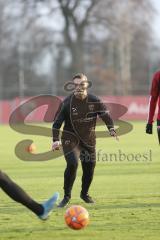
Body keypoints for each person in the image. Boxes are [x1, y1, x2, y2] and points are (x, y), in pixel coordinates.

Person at [52, 73, 117, 207]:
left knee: (89, 168)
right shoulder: (67, 103)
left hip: (88, 140)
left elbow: (105, 115)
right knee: (73, 164)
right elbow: (57, 123)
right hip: (70, 139)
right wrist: (55, 140)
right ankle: (66, 196)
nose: (79, 87)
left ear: (86, 84)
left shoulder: (94, 100)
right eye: (76, 85)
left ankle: (84, 194)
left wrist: (111, 128)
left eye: (81, 84)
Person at [146, 70, 160, 144]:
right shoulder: (158, 75)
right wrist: (149, 122)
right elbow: (153, 99)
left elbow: (153, 99)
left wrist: (149, 122)